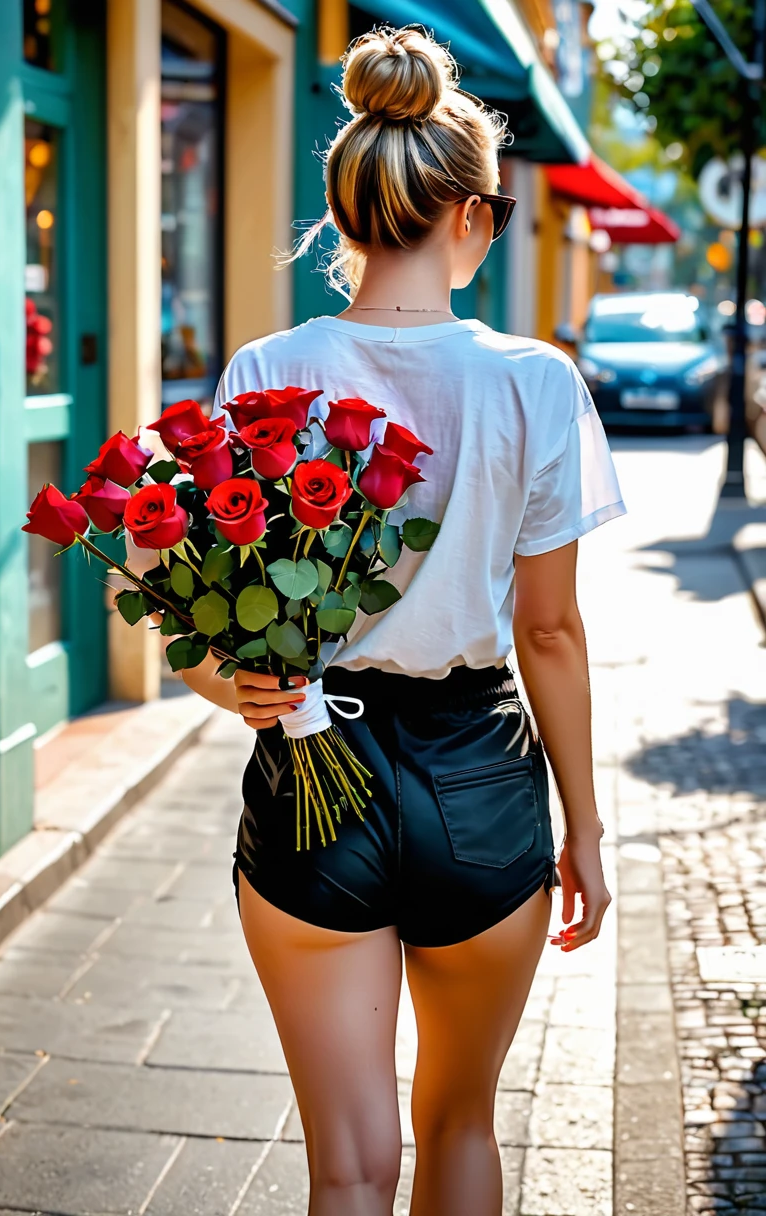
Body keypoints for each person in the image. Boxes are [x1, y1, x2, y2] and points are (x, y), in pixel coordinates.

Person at [178, 25, 626, 1216]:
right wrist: (582, 826)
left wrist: (240, 690)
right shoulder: (535, 381)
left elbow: (224, 640)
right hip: (482, 786)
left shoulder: (267, 367)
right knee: (461, 1128)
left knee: (348, 1168)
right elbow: (550, 635)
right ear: (472, 216)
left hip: (314, 777)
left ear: (342, 213)